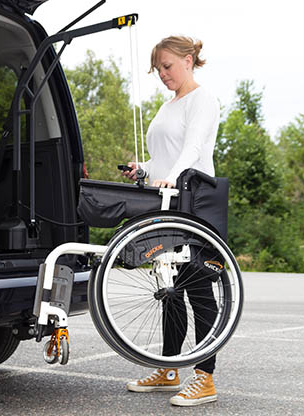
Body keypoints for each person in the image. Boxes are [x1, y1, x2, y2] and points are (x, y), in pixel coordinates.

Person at [122, 36, 221, 407]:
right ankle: (168, 367)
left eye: (167, 66)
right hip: (166, 200)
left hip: (193, 198)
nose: (162, 74)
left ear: (189, 59)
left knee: (197, 288)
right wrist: (144, 170)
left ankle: (205, 377)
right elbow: (164, 156)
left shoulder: (202, 100)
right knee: (170, 288)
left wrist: (174, 177)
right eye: (158, 69)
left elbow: (193, 150)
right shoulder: (169, 105)